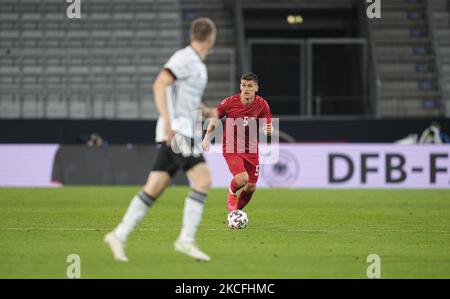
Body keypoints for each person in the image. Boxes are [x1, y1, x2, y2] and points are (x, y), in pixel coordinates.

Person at [105, 17, 217, 262]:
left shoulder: (197, 64)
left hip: (181, 129)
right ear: (211, 38)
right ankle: (186, 241)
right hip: (177, 132)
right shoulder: (185, 58)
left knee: (154, 188)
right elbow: (160, 84)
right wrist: (168, 122)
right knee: (203, 180)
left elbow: (183, 97)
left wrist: (206, 110)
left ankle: (118, 235)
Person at [202, 72, 272, 212]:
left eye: (250, 86)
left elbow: (267, 125)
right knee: (241, 179)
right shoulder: (229, 102)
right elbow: (215, 118)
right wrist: (207, 137)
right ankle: (231, 192)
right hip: (231, 147)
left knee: (251, 187)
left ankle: (235, 213)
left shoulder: (262, 105)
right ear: (240, 86)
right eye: (243, 85)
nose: (246, 89)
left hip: (251, 150)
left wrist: (268, 130)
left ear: (256, 88)